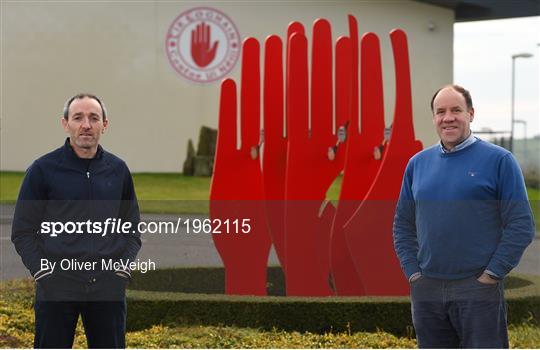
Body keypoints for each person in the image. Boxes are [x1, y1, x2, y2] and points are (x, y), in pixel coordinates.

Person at [393, 84, 535, 348]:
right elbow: (403, 223)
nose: (448, 117)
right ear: (434, 117)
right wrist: (413, 273)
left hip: (478, 288)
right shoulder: (417, 164)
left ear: (470, 113)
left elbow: (521, 225)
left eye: (456, 110)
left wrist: (491, 275)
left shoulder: (500, 161)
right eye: (441, 111)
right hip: (428, 288)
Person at [12, 93, 141, 348]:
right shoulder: (42, 169)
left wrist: (121, 270)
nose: (86, 125)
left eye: (94, 118)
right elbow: (23, 231)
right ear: (65, 123)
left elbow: (132, 228)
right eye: (78, 117)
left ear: (105, 124)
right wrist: (43, 273)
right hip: (56, 286)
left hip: (107, 287)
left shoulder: (118, 170)